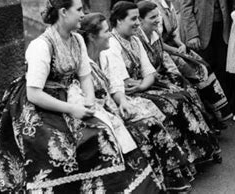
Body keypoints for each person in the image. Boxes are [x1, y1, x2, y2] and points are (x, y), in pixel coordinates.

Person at [0, 0, 160, 193]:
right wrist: (72, 109)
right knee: (74, 143)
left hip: (69, 95)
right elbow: (34, 93)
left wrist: (90, 100)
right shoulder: (42, 45)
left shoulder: (77, 39)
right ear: (63, 12)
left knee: (110, 127)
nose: (83, 14)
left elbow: (84, 76)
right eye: (79, 9)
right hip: (39, 105)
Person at [80, 13, 195, 192]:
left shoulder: (104, 56)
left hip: (114, 105)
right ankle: (152, 182)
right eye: (105, 31)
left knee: (152, 119)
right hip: (98, 114)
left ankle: (172, 175)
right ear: (92, 37)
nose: (110, 34)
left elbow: (115, 84)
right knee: (144, 125)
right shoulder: (82, 63)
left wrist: (122, 101)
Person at [101, 1, 222, 166]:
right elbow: (123, 82)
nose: (137, 23)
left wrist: (144, 84)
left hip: (143, 86)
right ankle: (181, 161)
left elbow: (149, 72)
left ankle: (200, 153)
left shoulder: (135, 40)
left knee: (183, 96)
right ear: (119, 21)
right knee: (170, 104)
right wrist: (142, 84)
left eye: (138, 19)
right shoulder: (112, 44)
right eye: (133, 19)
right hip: (127, 92)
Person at [152, 0, 232, 124]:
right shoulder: (155, 9)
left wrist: (181, 44)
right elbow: (157, 42)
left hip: (174, 47)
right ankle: (204, 118)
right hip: (161, 52)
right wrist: (177, 51)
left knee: (203, 67)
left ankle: (217, 114)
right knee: (192, 74)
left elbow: (173, 33)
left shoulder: (171, 4)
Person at [180, 0, 233, 106]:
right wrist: (192, 34)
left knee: (224, 67)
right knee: (204, 68)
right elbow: (186, 8)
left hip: (224, 28)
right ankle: (208, 107)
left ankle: (226, 107)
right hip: (202, 29)